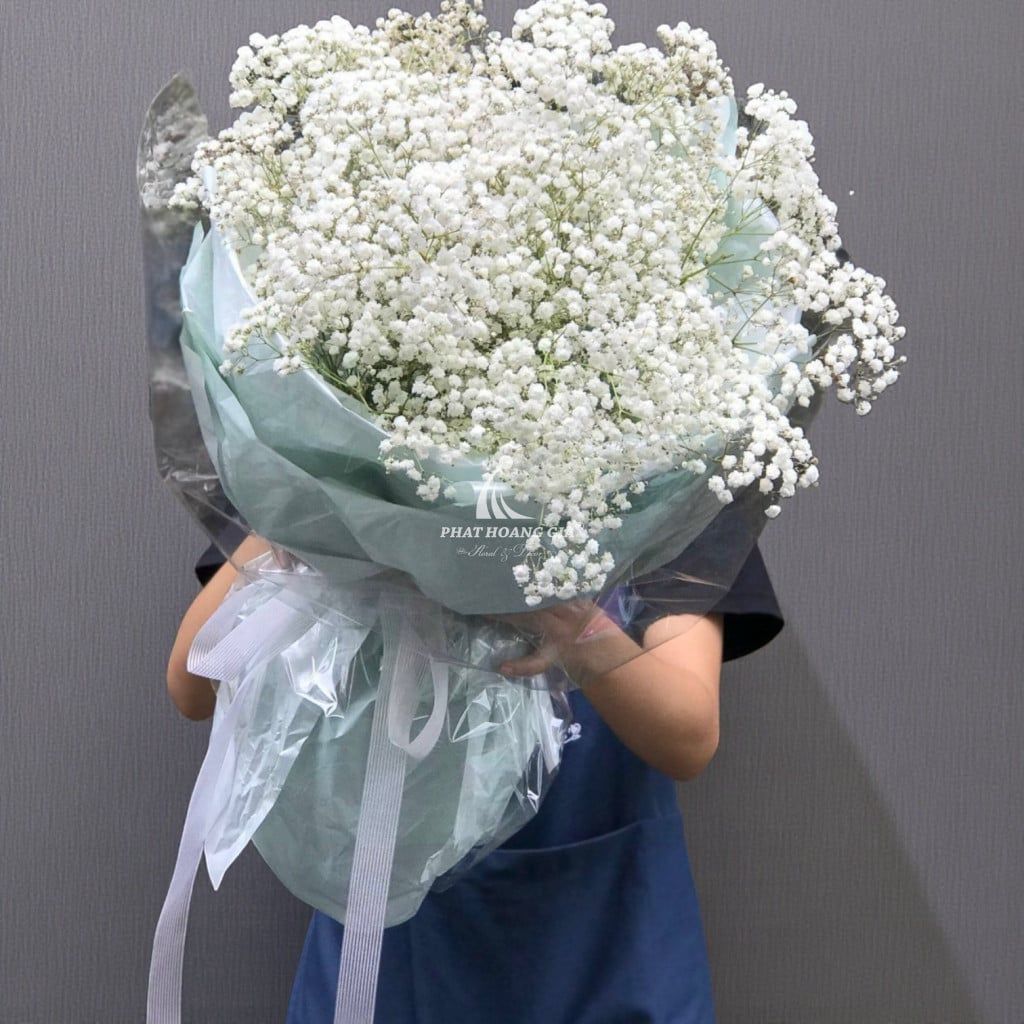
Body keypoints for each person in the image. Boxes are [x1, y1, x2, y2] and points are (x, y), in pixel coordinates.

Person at [167, 508, 784, 1024]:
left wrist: (571, 624)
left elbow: (687, 736)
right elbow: (193, 683)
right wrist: (310, 509)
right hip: (389, 932)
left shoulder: (679, 474)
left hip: (603, 934)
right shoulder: (332, 460)